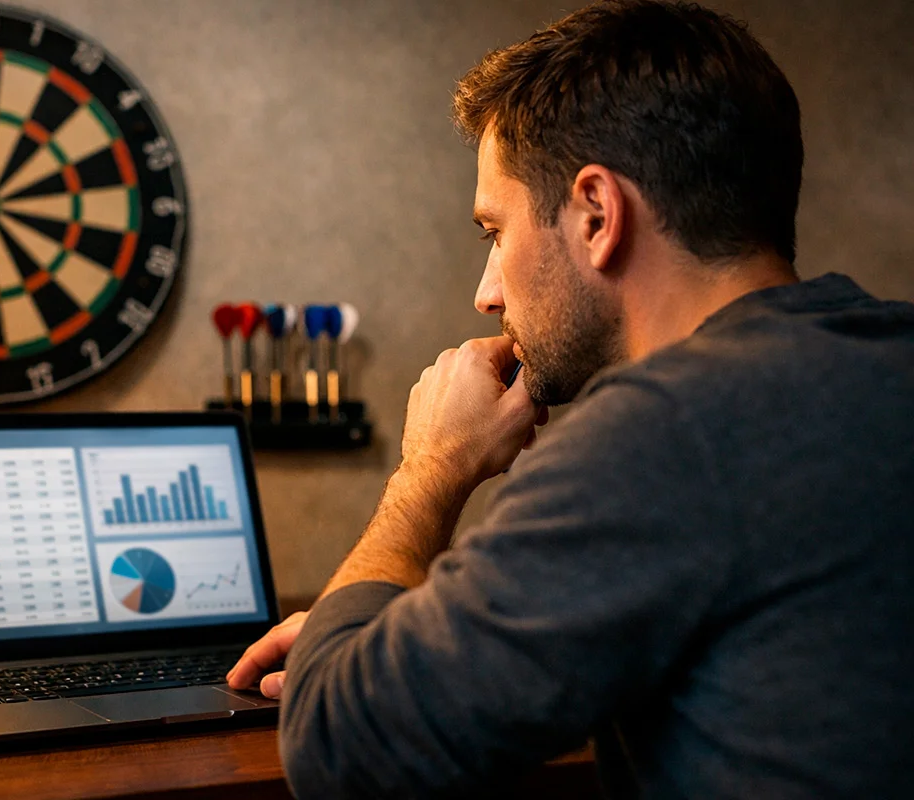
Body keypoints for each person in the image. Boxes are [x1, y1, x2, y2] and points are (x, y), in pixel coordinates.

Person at [227, 0, 914, 797]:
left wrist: (431, 469)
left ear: (596, 214)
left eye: (495, 232)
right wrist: (397, 642)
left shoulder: (665, 434)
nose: (487, 292)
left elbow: (339, 749)